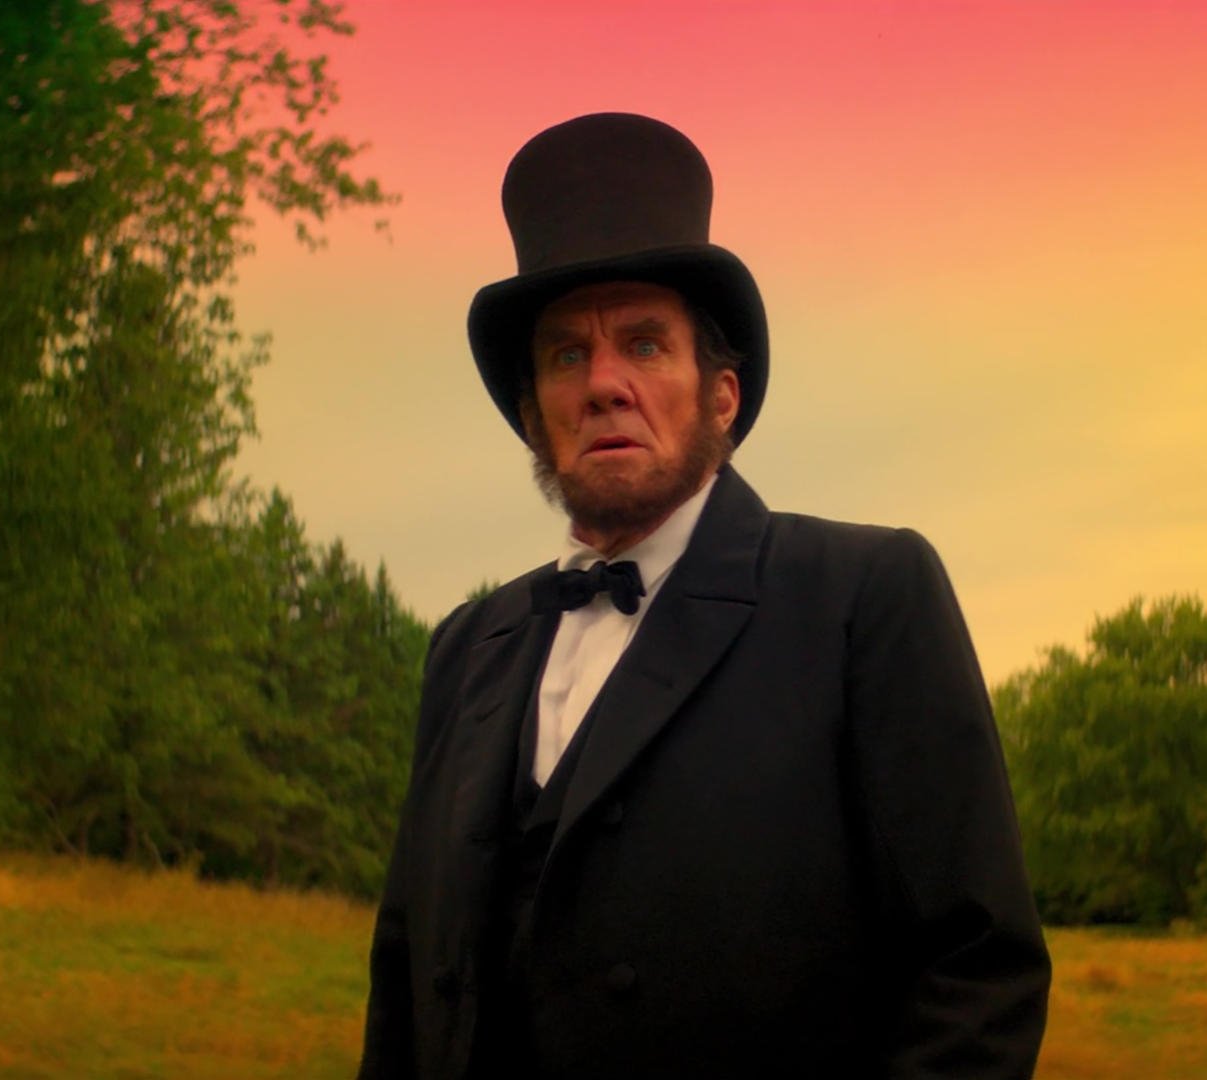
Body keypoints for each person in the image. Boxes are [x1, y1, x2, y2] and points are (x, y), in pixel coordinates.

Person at [359, 112, 1049, 1080]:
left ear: (721, 397)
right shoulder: (469, 644)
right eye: (566, 355)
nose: (604, 384)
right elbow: (404, 979)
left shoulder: (863, 596)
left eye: (644, 345)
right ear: (533, 416)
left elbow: (977, 973)